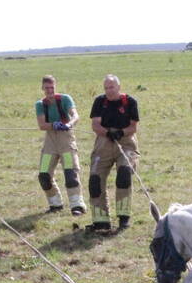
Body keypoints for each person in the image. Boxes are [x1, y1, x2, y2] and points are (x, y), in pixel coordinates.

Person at [88, 74, 140, 232]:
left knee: (124, 174)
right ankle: (101, 221)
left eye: (111, 87)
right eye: (106, 88)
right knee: (95, 180)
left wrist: (120, 132)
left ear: (119, 87)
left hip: (126, 143)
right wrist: (107, 132)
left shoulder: (130, 102)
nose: (109, 91)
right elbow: (95, 125)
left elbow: (133, 127)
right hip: (103, 142)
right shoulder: (99, 101)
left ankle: (124, 218)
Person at [35, 75, 86, 215]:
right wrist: (53, 125)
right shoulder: (40, 104)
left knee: (70, 173)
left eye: (52, 87)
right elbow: (41, 125)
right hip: (50, 141)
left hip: (66, 140)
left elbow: (75, 115)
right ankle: (55, 204)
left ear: (55, 86)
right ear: (42, 88)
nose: (50, 90)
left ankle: (77, 205)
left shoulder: (65, 99)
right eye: (47, 88)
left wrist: (69, 124)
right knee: (44, 175)